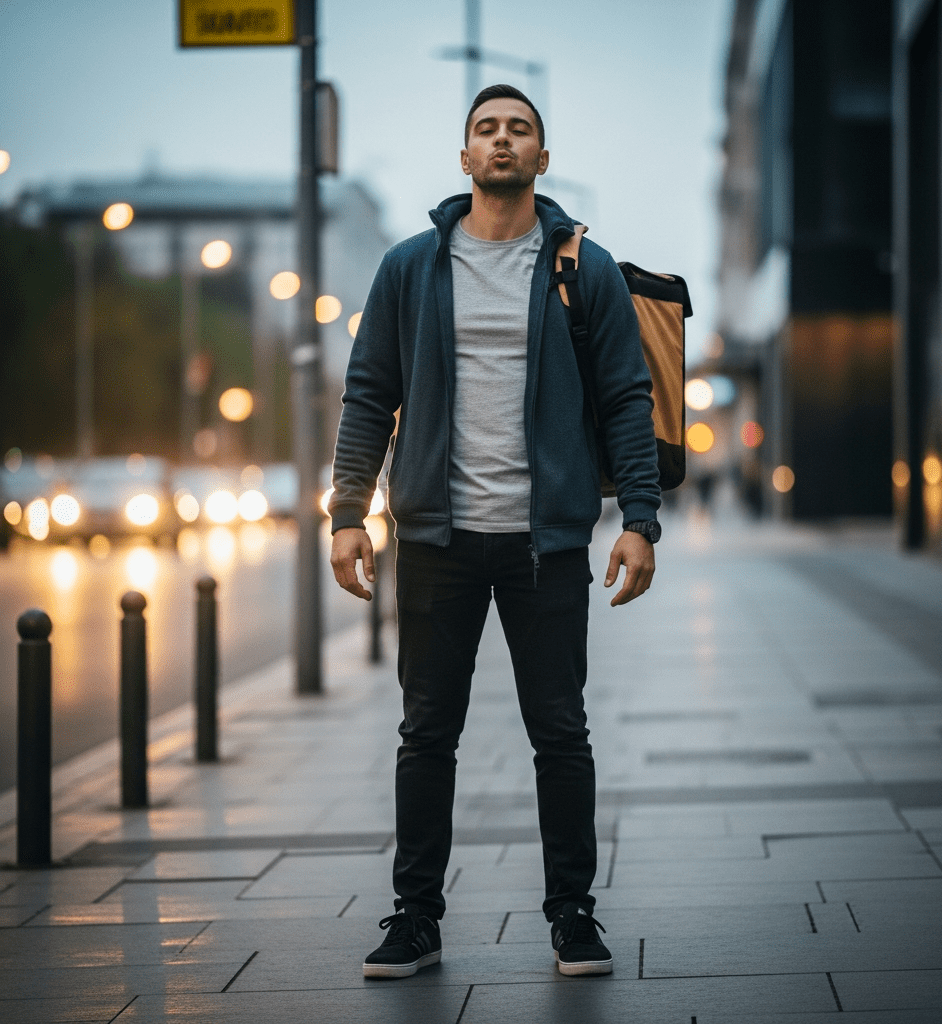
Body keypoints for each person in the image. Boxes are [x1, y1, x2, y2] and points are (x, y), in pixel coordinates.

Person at [328, 84, 662, 980]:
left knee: (560, 731)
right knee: (426, 732)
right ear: (464, 155)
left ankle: (573, 914)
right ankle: (415, 917)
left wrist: (639, 520)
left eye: (520, 129)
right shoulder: (410, 267)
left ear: (542, 160)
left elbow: (628, 398)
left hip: (544, 542)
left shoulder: (580, 270)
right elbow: (369, 396)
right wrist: (347, 516)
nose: (502, 140)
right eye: (487, 129)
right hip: (436, 540)